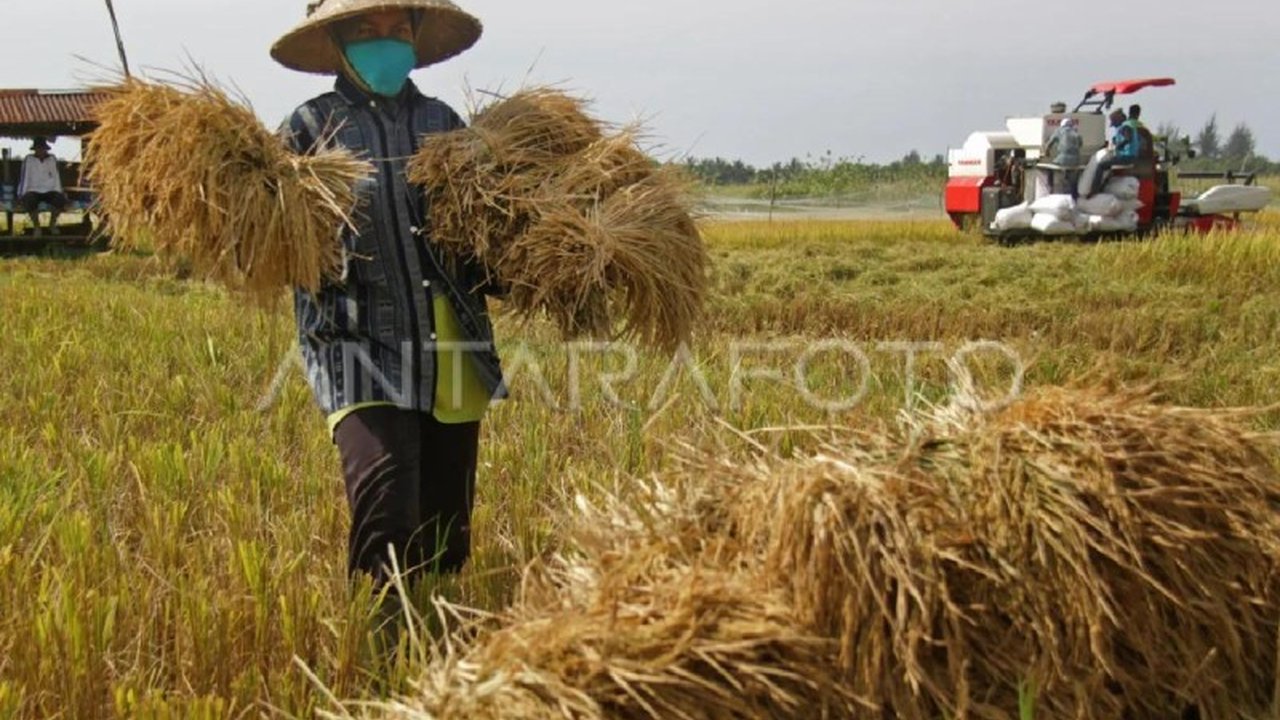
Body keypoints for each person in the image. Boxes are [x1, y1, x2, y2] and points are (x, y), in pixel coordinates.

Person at [271, 0, 505, 593]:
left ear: (416, 38)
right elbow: (270, 241)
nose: (386, 42)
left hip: (450, 343)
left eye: (399, 30)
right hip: (355, 340)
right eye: (367, 30)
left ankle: (445, 633)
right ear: (338, 42)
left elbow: (482, 232)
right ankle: (382, 640)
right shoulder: (307, 129)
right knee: (387, 511)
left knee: (446, 528)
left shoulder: (444, 124)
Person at [17, 137, 68, 236]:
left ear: (46, 149)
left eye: (42, 149)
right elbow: (24, 177)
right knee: (29, 200)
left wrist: (60, 191)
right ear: (35, 149)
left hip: (50, 190)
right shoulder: (29, 160)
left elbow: (56, 176)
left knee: (60, 200)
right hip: (33, 190)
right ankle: (37, 226)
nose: (40, 151)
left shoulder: (52, 159)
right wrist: (21, 194)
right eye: (38, 148)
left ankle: (52, 224)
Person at [1091, 110, 1140, 196]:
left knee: (1101, 165)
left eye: (1114, 123)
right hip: (1128, 156)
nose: (1113, 126)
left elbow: (1128, 138)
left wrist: (1119, 146)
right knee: (1107, 166)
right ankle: (1102, 186)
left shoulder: (1125, 127)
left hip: (1128, 156)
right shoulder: (1125, 127)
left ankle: (1095, 190)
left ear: (1118, 120)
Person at [1044, 117, 1083, 196]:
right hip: (1076, 160)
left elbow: (1049, 143)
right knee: (1073, 177)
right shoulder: (1076, 132)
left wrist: (1046, 152)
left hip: (1062, 159)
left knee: (1049, 168)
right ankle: (1074, 195)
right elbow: (1080, 144)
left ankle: (1050, 186)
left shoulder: (1059, 131)